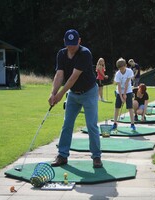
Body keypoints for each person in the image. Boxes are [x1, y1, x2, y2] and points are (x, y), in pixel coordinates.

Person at [48, 29, 102, 168]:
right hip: (73, 94)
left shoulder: (85, 53)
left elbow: (73, 77)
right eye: (68, 44)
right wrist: (53, 93)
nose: (71, 47)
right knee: (67, 124)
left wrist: (60, 95)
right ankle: (62, 155)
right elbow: (59, 75)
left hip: (89, 92)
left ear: (79, 41)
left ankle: (96, 157)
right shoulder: (61, 54)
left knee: (91, 125)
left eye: (73, 44)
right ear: (64, 42)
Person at [112, 57, 136, 131]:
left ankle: (132, 124)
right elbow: (119, 86)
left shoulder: (129, 71)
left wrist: (125, 94)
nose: (121, 70)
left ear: (125, 65)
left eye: (122, 68)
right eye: (120, 69)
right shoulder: (118, 74)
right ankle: (115, 123)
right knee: (117, 107)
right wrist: (121, 97)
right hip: (119, 91)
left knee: (130, 107)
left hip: (128, 90)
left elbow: (127, 83)